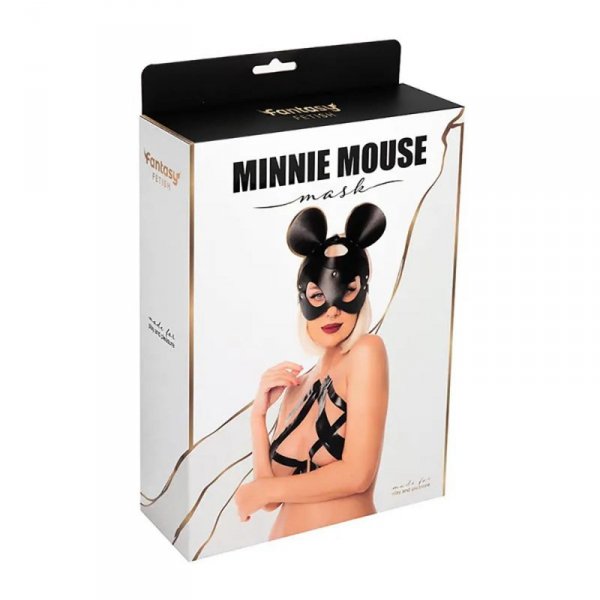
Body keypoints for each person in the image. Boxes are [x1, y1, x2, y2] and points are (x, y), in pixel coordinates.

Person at [234, 202, 390, 540]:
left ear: (362, 292)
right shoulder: (296, 387)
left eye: (347, 292)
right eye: (318, 296)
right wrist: (258, 417)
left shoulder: (367, 351)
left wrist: (260, 491)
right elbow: (270, 500)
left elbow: (357, 474)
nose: (332, 311)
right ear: (303, 298)